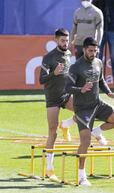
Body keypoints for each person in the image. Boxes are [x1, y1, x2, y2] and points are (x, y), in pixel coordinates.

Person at [66, 37, 114, 186]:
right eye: (91, 50)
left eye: (95, 50)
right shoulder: (76, 67)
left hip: (97, 104)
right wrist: (81, 89)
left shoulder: (98, 62)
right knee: (85, 141)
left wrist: (108, 92)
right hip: (82, 108)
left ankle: (97, 131)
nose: (93, 53)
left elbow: (100, 81)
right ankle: (81, 175)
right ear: (84, 50)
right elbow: (67, 88)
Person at [39, 28, 76, 181]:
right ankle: (49, 168)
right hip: (52, 98)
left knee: (84, 110)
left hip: (66, 95)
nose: (65, 43)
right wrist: (53, 73)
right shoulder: (48, 58)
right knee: (52, 132)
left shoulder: (68, 54)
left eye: (67, 40)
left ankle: (66, 124)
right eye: (62, 40)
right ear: (56, 40)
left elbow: (68, 74)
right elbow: (41, 80)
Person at [93, 0, 114, 89]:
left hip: (113, 28)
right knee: (97, 57)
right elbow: (93, 5)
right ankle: (97, 83)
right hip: (100, 28)